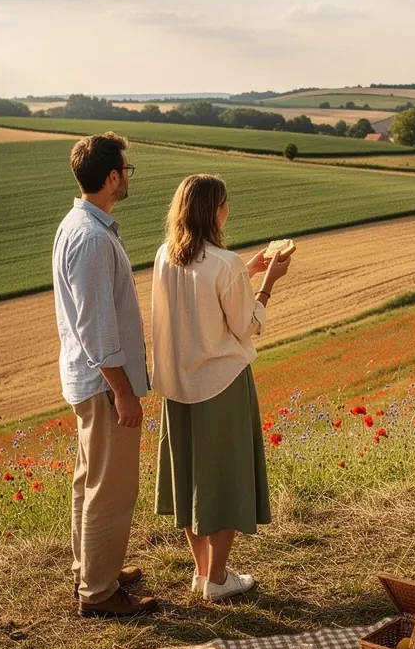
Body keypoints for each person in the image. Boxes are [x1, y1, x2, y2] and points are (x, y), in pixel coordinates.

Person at [151, 174, 291, 602]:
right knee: (226, 478)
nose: (227, 210)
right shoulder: (224, 264)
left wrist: (246, 270)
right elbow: (247, 326)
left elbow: (198, 298)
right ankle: (217, 579)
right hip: (222, 383)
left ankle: (202, 573)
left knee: (193, 477)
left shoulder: (165, 257)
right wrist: (268, 284)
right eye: (224, 203)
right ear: (214, 211)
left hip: (178, 385)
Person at [52, 132, 157, 619]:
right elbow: (97, 327)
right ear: (112, 177)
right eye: (126, 171)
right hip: (103, 384)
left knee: (88, 481)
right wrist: (124, 392)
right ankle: (98, 592)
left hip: (85, 378)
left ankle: (91, 569)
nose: (127, 178)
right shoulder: (93, 239)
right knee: (111, 488)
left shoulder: (77, 224)